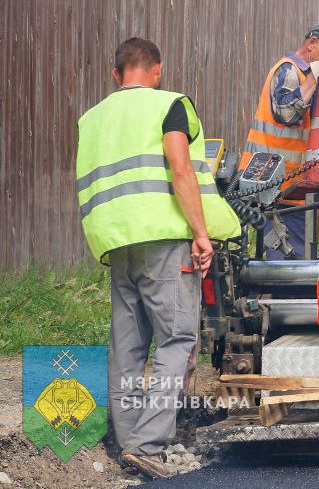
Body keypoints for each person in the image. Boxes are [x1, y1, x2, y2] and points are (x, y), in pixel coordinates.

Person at [75, 38, 240, 479]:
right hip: (164, 239)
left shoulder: (92, 118)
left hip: (117, 242)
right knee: (175, 339)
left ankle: (128, 442)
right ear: (157, 70)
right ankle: (148, 445)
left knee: (127, 347)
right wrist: (201, 234)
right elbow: (181, 169)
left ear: (116, 74)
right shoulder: (168, 105)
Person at [239, 22, 319, 259]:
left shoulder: (304, 75)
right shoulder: (289, 70)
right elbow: (285, 112)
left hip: (289, 187)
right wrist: (316, 75)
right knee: (287, 263)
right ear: (312, 43)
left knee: (294, 258)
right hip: (274, 186)